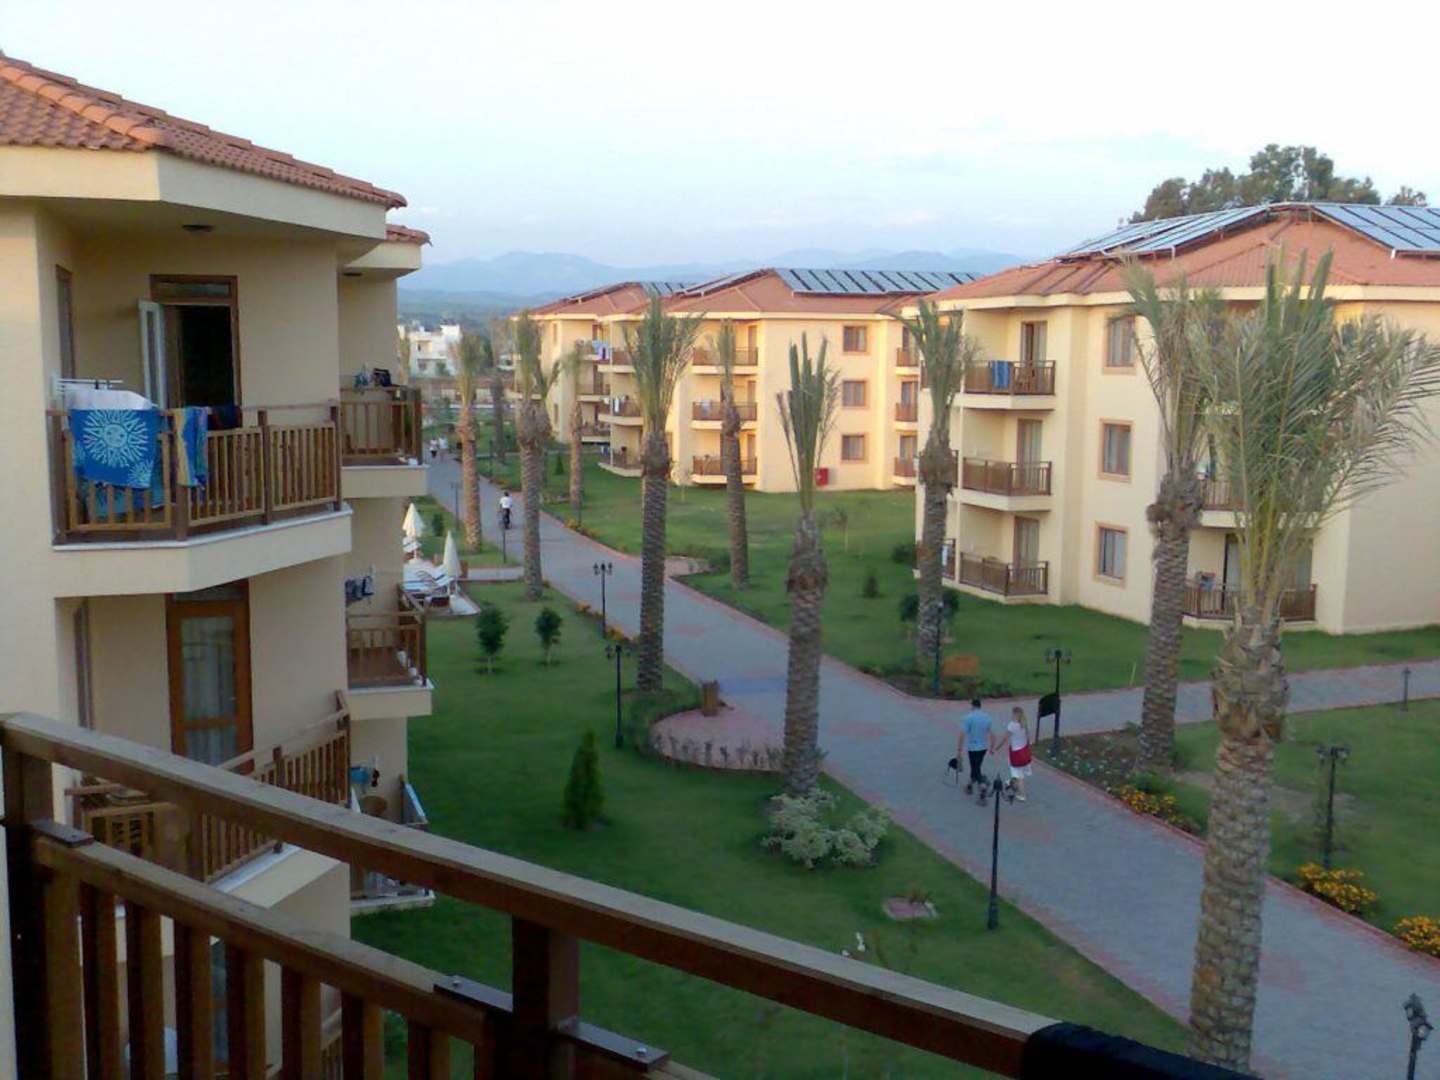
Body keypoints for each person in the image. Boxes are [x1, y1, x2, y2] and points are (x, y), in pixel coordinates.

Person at [995, 705, 1033, 802]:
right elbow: (1028, 737)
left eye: (1012, 713)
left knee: (1019, 775)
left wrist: (997, 748)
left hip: (1016, 753)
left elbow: (1004, 738)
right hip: (1024, 750)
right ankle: (1010, 782)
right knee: (1018, 772)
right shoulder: (1024, 723)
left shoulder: (1012, 725)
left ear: (1015, 714)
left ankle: (1022, 795)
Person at [959, 698, 993, 798]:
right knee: (976, 767)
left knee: (975, 767)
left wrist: (959, 749)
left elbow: (962, 734)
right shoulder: (987, 717)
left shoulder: (968, 717)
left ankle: (982, 787)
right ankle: (969, 785)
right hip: (983, 748)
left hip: (973, 748)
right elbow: (992, 734)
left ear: (973, 706)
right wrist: (992, 747)